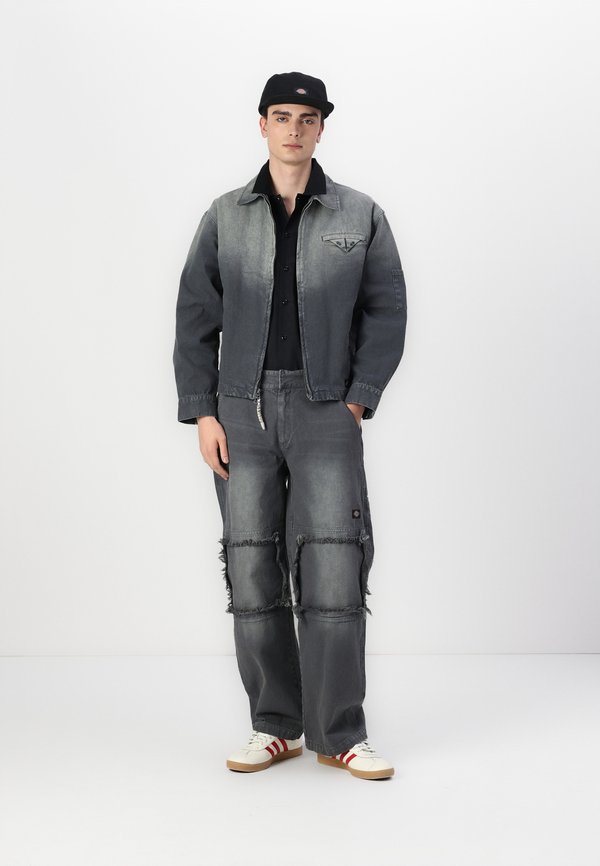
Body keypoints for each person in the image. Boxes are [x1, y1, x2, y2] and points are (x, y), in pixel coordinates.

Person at [173, 71, 407, 781]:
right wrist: (203, 411)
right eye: (282, 116)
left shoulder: (358, 214)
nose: (294, 129)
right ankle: (274, 726)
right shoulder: (225, 215)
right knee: (251, 568)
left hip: (326, 406)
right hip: (239, 413)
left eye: (307, 118)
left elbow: (387, 309)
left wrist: (357, 399)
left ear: (322, 128)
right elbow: (194, 316)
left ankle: (339, 733)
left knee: (334, 564)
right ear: (263, 124)